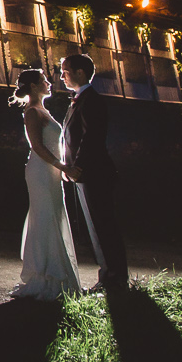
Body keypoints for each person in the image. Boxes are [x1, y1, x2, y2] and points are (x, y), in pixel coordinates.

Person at [58, 52, 129, 293]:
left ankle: (114, 278)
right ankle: (109, 276)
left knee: (103, 226)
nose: (62, 76)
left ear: (80, 72)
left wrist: (77, 166)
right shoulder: (78, 100)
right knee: (96, 227)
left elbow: (91, 138)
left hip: (94, 174)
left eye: (65, 71)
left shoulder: (92, 100)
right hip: (85, 174)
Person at [8, 67, 81, 300]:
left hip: (51, 171)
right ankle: (44, 276)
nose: (49, 83)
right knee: (45, 216)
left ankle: (58, 275)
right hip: (41, 171)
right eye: (43, 80)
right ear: (33, 86)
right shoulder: (31, 112)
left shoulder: (43, 110)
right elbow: (38, 147)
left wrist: (61, 167)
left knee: (55, 215)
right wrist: (63, 167)